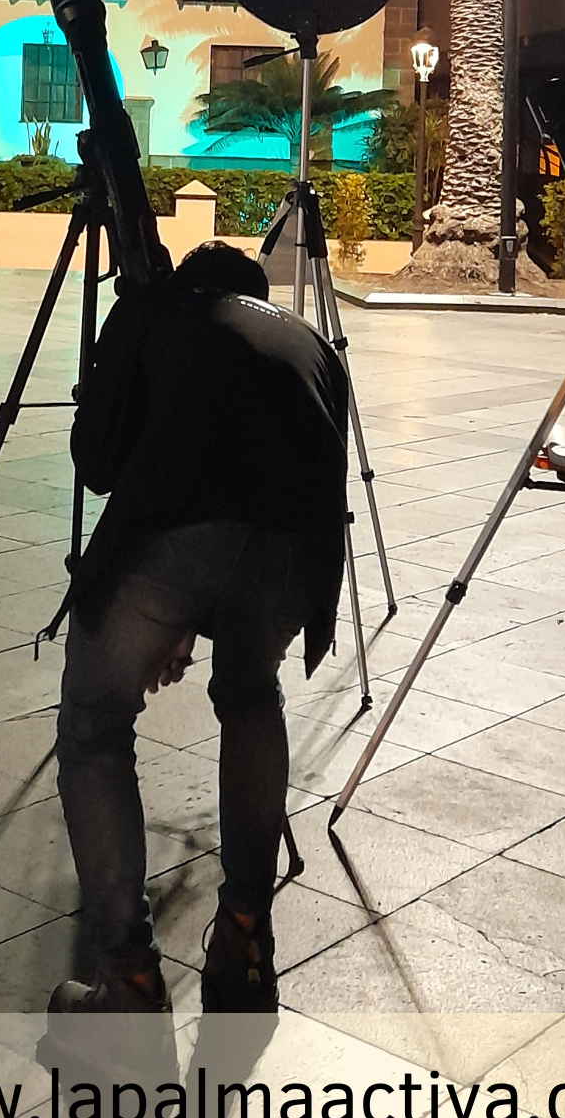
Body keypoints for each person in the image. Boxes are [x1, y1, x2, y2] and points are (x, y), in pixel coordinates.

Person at [50, 240, 348, 1019]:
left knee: (93, 725)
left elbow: (100, 460)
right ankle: (245, 942)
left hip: (174, 536)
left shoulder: (153, 310)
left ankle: (128, 980)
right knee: (250, 696)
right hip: (299, 550)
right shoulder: (309, 340)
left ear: (187, 284)